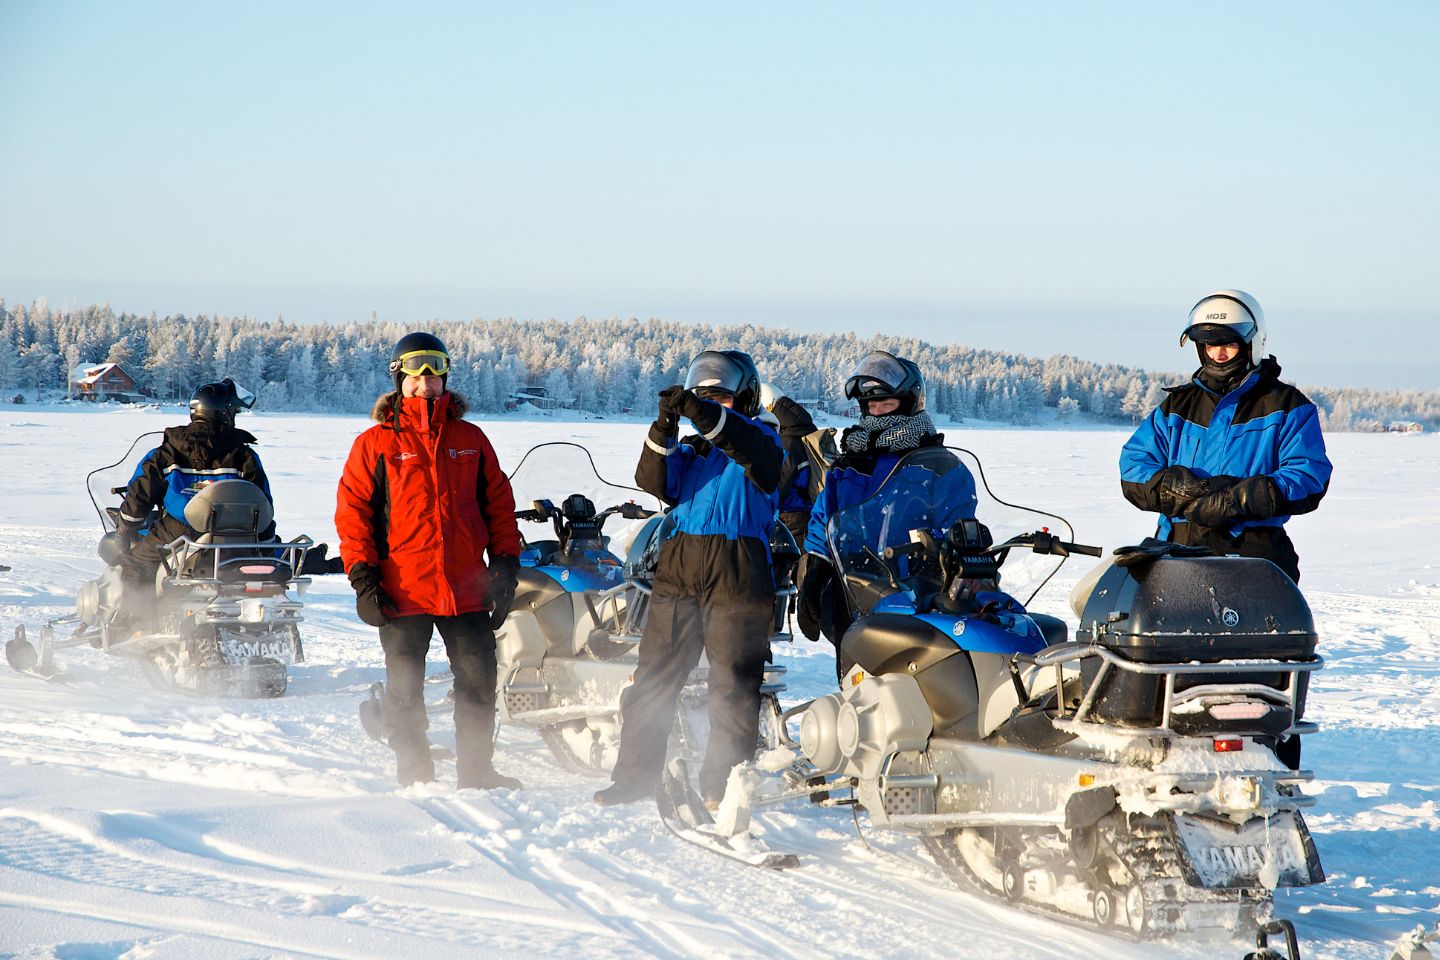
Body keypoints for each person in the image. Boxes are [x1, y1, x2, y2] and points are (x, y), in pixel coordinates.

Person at [594, 349, 784, 808]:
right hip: (680, 563)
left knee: (734, 684)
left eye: (721, 397)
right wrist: (664, 427)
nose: (711, 405)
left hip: (738, 567)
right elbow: (653, 480)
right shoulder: (694, 452)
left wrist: (701, 412)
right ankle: (634, 777)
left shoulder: (764, 442)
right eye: (703, 397)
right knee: (653, 678)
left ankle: (725, 786)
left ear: (745, 399)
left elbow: (742, 443)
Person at [335, 332, 524, 789]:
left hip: (465, 588)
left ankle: (477, 771)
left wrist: (504, 564)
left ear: (444, 377)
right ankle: (414, 773)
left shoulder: (470, 439)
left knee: (479, 681)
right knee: (405, 687)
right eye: (415, 372)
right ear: (399, 378)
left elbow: (498, 504)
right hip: (402, 589)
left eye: (435, 371)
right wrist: (363, 578)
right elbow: (353, 514)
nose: (426, 381)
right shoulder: (374, 443)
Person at [1119, 290, 1332, 584]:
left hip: (1253, 557)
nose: (1217, 354)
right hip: (1178, 552)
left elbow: (1309, 476)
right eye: (1208, 345)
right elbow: (1134, 465)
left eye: (1228, 345)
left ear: (1252, 344)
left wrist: (1239, 500)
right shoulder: (1177, 406)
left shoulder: (1286, 406)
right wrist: (1173, 490)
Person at [797, 351, 976, 680]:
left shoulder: (939, 466)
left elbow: (959, 527)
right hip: (853, 589)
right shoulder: (851, 463)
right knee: (857, 686)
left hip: (915, 594)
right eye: (871, 406)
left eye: (886, 404)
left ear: (910, 403)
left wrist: (937, 553)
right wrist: (815, 574)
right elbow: (825, 517)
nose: (877, 413)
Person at [116, 379, 272, 614]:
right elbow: (263, 501)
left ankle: (133, 624)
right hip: (237, 533)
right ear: (223, 413)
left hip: (179, 529)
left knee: (135, 564)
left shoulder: (165, 453)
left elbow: (139, 496)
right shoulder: (244, 454)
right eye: (233, 412)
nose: (234, 417)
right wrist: (266, 539)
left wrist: (126, 528)